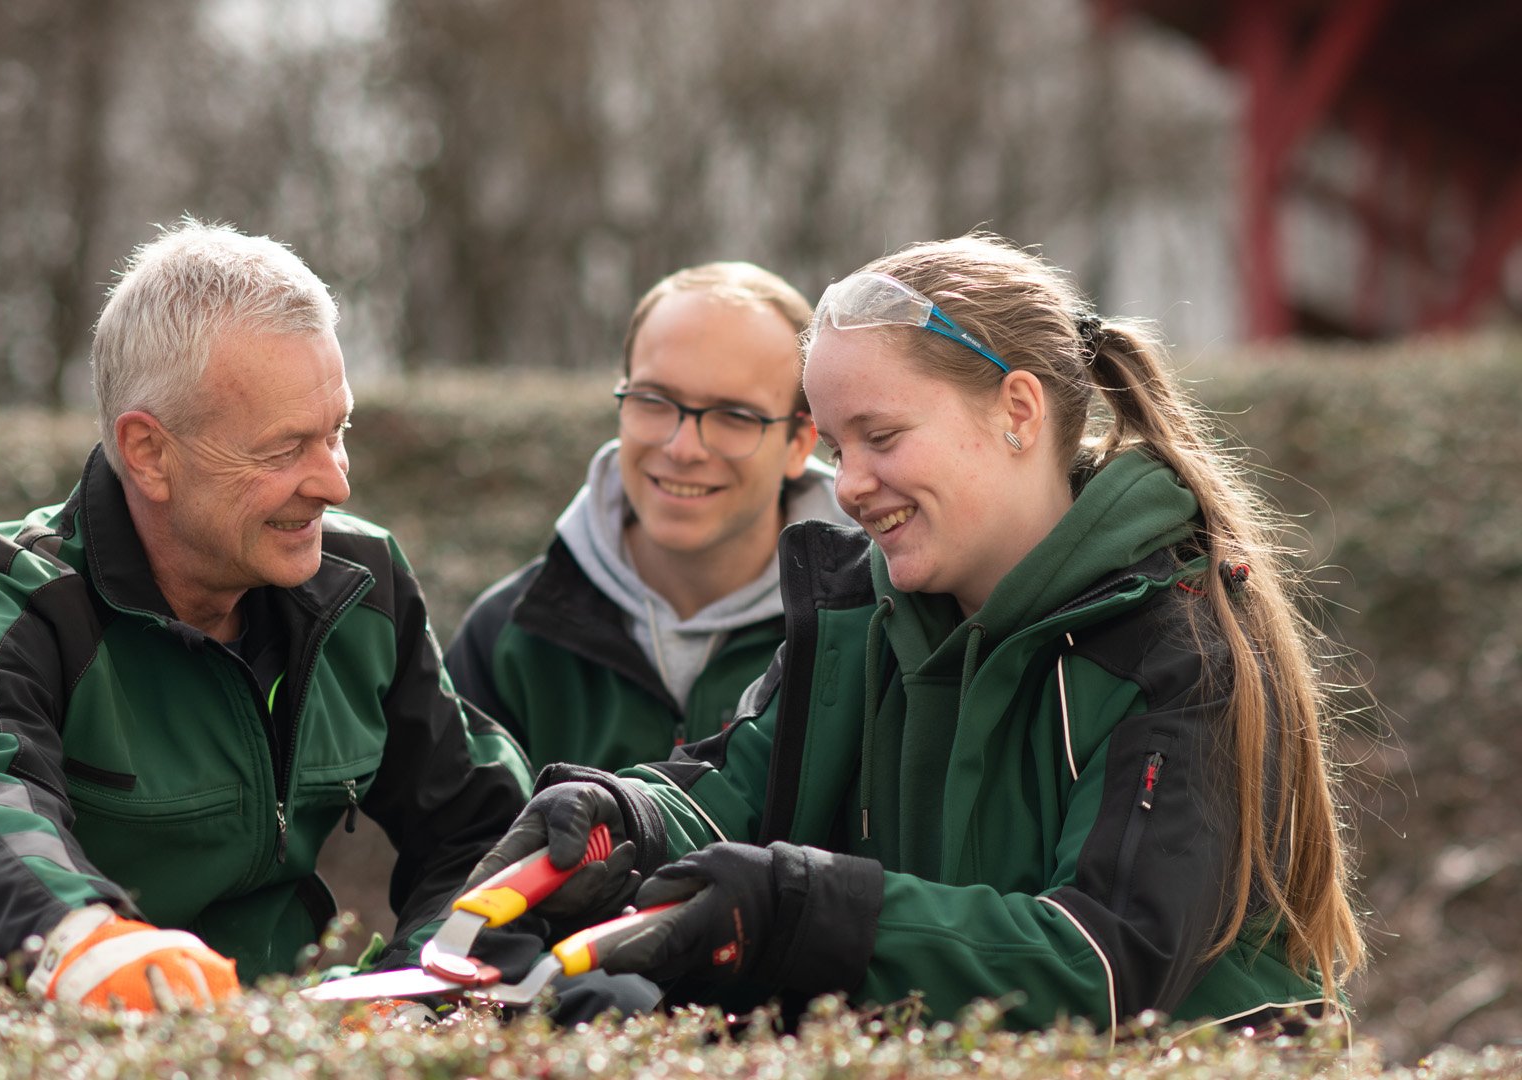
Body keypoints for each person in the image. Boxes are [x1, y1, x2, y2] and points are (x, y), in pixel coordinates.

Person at [462, 234, 1367, 1033]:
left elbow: (1107, 961)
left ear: (1019, 411)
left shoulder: (1181, 644)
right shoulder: (866, 612)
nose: (848, 483)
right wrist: (624, 821)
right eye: (837, 443)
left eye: (882, 436)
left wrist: (804, 911)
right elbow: (732, 789)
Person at [0, 218, 532, 1011]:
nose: (335, 483)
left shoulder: (365, 587)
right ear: (150, 452)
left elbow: (484, 829)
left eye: (338, 432)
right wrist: (87, 941)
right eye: (286, 449)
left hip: (290, 1048)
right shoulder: (11, 602)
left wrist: (418, 985)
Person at [447, 263, 847, 773]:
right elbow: (467, 851)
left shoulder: (866, 634)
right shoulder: (509, 637)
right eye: (655, 401)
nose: (682, 448)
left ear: (799, 443)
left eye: (734, 416)